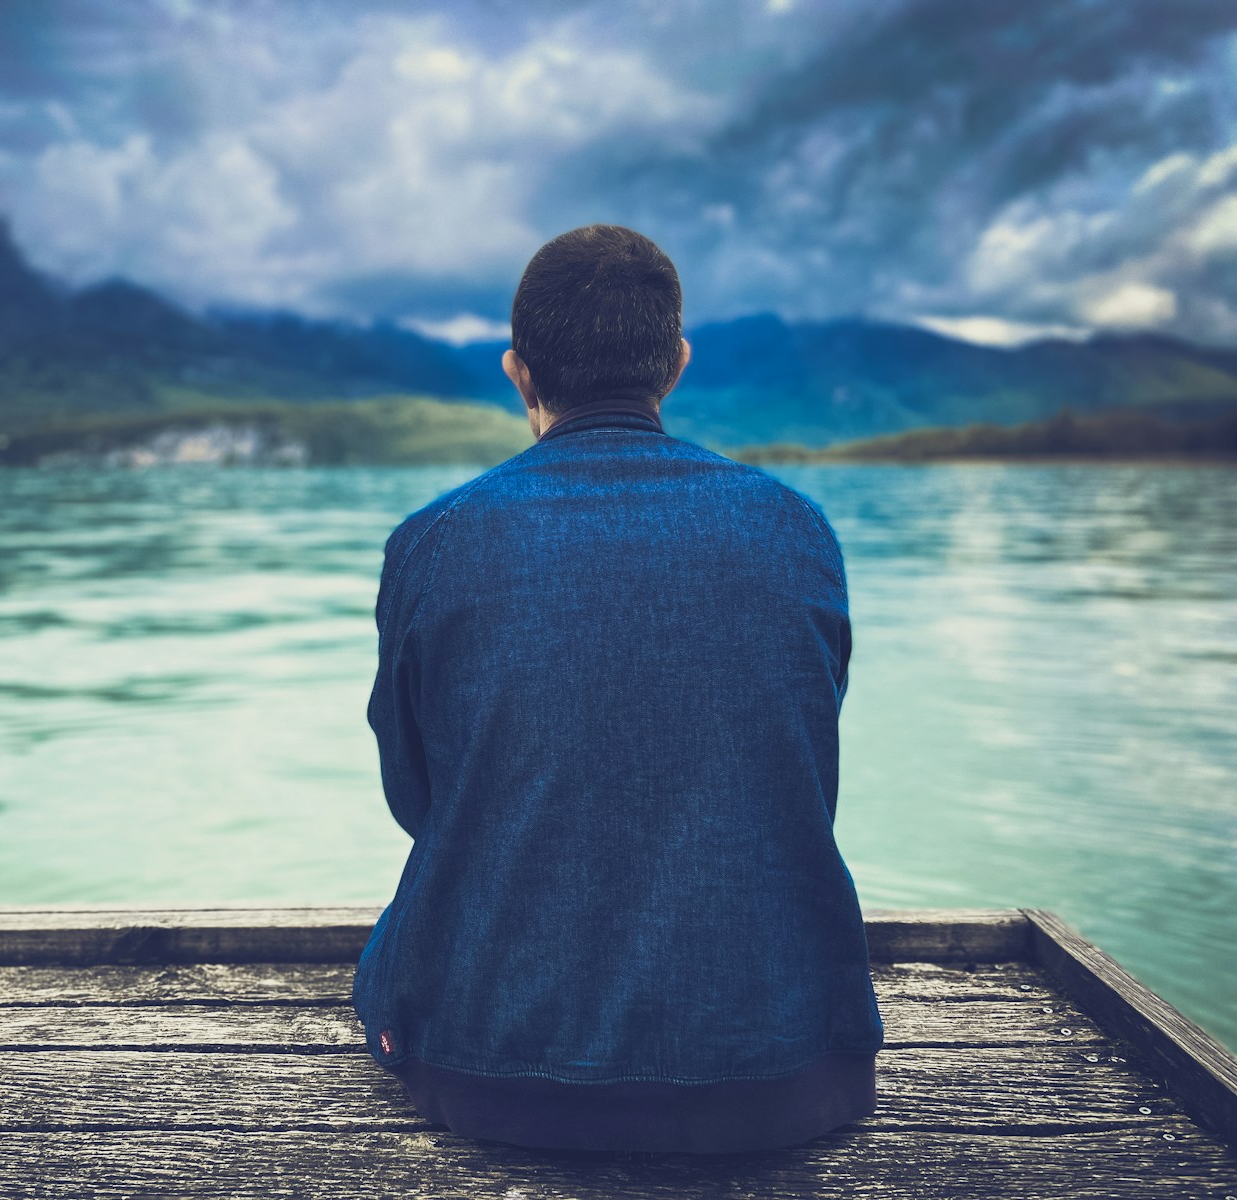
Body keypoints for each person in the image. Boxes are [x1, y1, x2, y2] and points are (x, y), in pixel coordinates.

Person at [351, 224, 884, 1155]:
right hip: (788, 1076)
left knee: (398, 942)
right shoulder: (796, 529)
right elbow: (800, 776)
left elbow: (418, 802)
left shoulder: (433, 543)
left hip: (490, 1079)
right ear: (673, 367)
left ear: (519, 372)